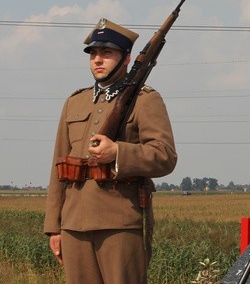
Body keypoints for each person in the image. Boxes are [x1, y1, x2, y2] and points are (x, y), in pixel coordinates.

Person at [44, 18, 177, 284]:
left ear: (127, 58)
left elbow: (165, 156)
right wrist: (54, 228)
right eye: (93, 53)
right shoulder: (75, 101)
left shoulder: (145, 99)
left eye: (107, 53)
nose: (98, 60)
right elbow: (59, 167)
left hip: (120, 221)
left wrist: (118, 152)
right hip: (73, 225)